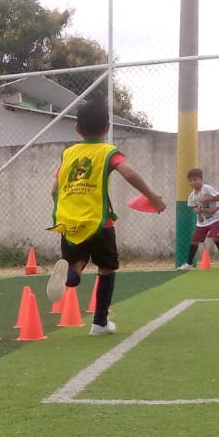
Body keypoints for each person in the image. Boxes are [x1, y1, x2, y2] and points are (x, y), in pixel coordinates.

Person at [49, 97, 166, 336]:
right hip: (99, 221)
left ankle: (71, 275)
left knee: (77, 261)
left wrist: (66, 210)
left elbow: (54, 190)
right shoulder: (107, 152)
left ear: (77, 128)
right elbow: (128, 173)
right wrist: (152, 196)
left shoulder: (68, 154)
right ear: (107, 127)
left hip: (69, 222)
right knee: (106, 268)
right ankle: (99, 323)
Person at [181, 168, 219, 270]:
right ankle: (189, 263)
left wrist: (208, 198)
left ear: (201, 179)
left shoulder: (207, 188)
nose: (193, 182)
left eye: (195, 179)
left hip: (215, 218)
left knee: (215, 238)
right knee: (195, 241)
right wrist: (196, 210)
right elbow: (194, 207)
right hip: (202, 222)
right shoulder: (192, 195)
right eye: (190, 180)